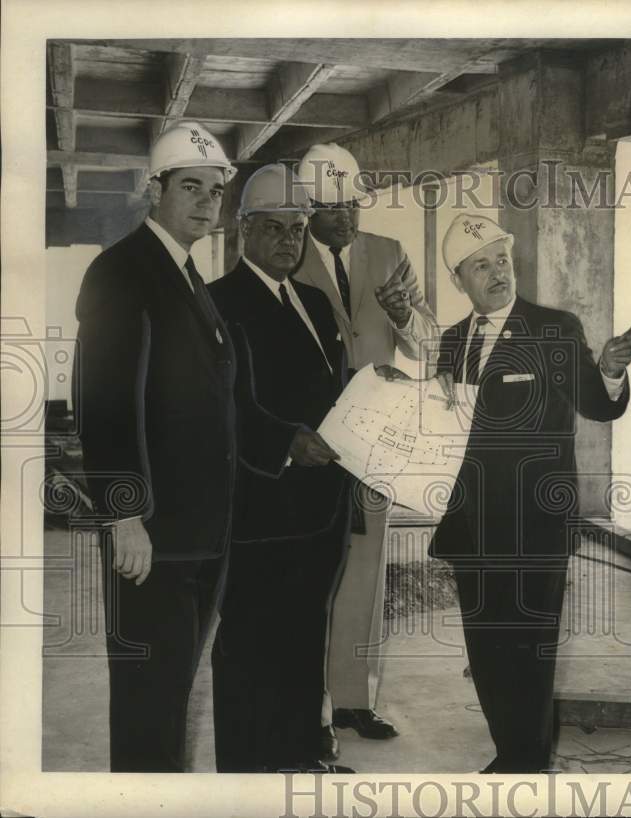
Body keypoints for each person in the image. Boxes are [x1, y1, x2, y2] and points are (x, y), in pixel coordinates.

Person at [73, 123, 311, 772]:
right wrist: (124, 514)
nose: (207, 202)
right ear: (154, 190)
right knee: (149, 701)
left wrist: (287, 440)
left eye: (215, 191)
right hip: (152, 539)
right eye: (190, 187)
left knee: (170, 698)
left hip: (201, 537)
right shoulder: (121, 272)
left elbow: (216, 401)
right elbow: (104, 405)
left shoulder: (187, 275)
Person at [431, 213, 631, 774]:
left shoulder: (555, 329)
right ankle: (510, 752)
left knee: (529, 650)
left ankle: (526, 763)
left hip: (535, 526)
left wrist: (612, 372)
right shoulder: (450, 344)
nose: (498, 272)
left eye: (502, 259)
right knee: (487, 651)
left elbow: (598, 404)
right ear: (459, 280)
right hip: (471, 528)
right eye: (481, 265)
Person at [206, 164, 355, 773]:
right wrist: (284, 444)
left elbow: (333, 393)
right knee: (248, 640)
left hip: (323, 506)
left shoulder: (317, 303)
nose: (289, 241)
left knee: (302, 634)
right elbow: (222, 404)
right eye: (274, 229)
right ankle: (244, 769)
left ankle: (298, 752)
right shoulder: (217, 304)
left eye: (297, 229)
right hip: (262, 504)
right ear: (244, 232)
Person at [293, 142, 438, 755]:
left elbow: (427, 343)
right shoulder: (287, 251)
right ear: (307, 208)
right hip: (314, 441)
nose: (345, 216)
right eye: (331, 207)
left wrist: (405, 316)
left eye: (352, 203)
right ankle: (306, 710)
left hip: (373, 442)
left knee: (366, 574)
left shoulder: (390, 254)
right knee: (306, 577)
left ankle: (353, 700)